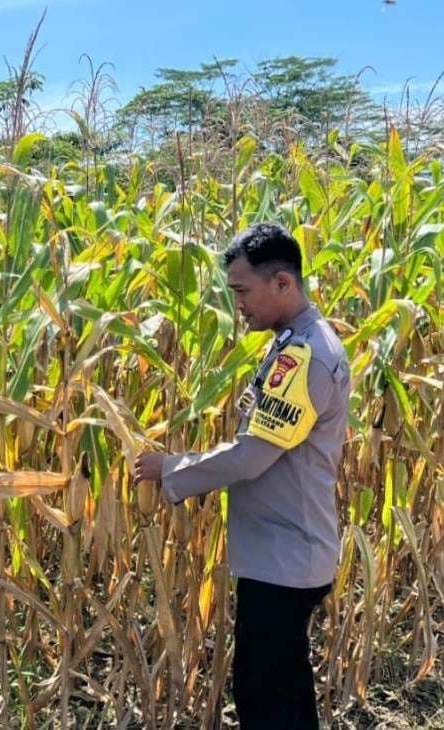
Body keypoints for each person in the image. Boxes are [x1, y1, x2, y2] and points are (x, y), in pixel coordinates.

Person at [134, 222, 351, 729]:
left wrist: (171, 468)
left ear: (283, 283)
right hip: (288, 550)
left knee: (264, 696)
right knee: (285, 689)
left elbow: (252, 456)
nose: (238, 305)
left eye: (243, 291)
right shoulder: (298, 342)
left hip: (285, 555)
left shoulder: (305, 355)